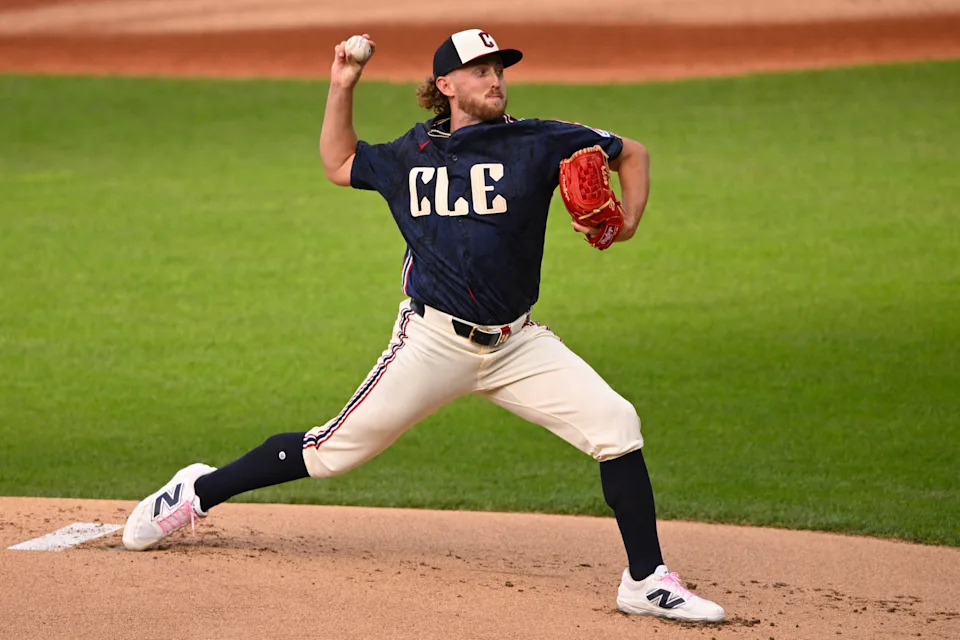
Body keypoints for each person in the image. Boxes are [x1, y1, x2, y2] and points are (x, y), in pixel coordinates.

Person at [122, 28, 725, 623]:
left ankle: (645, 580)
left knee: (616, 423)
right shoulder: (409, 155)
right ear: (446, 84)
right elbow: (338, 162)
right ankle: (196, 492)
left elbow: (632, 153)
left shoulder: (541, 141)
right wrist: (341, 85)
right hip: (432, 342)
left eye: (500, 68)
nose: (496, 79)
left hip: (517, 344)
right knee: (331, 452)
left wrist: (629, 223)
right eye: (481, 70)